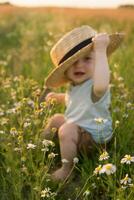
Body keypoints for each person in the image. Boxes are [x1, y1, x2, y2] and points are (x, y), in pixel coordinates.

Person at [42, 25, 124, 181]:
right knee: (56, 119)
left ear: (97, 62)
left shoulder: (95, 85)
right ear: (65, 71)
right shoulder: (74, 86)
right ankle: (42, 146)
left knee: (67, 129)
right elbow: (72, 100)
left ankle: (67, 169)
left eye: (87, 59)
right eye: (73, 63)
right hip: (78, 128)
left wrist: (100, 51)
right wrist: (57, 97)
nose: (79, 65)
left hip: (94, 138)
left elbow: (101, 85)